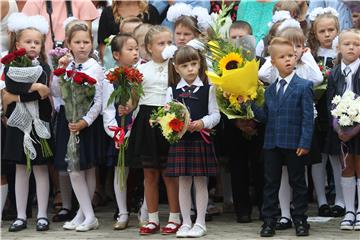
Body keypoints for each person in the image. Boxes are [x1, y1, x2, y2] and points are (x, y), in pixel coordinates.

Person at [120, 25, 181, 235]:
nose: (166, 47)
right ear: (149, 47)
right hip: (147, 122)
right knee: (150, 174)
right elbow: (134, 100)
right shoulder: (141, 69)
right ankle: (152, 218)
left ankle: (175, 217)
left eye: (169, 43)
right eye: (161, 43)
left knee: (169, 174)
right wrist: (126, 106)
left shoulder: (176, 67)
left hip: (168, 120)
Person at [252, 37, 314, 237]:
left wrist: (305, 142)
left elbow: (307, 118)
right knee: (271, 183)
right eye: (282, 57)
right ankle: (269, 221)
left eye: (291, 56)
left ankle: (301, 220)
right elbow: (265, 118)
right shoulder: (270, 90)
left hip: (294, 143)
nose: (288, 60)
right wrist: (250, 103)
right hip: (272, 143)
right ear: (273, 62)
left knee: (298, 183)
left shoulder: (304, 86)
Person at [51, 21, 104, 232]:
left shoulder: (95, 67)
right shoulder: (68, 66)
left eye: (86, 42)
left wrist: (85, 121)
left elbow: (98, 100)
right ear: (69, 44)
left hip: (85, 122)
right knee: (75, 169)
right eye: (77, 42)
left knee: (85, 169)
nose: (82, 46)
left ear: (91, 43)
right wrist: (60, 69)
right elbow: (56, 92)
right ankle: (84, 213)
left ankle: (87, 215)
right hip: (69, 120)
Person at [2, 13, 52, 232]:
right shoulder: (10, 65)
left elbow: (40, 94)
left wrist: (21, 93)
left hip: (38, 121)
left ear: (42, 45)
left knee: (40, 169)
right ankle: (21, 215)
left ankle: (42, 214)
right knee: (21, 169)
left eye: (37, 42)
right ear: (18, 43)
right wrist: (33, 88)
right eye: (28, 42)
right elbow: (11, 85)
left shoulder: (44, 67)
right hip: (17, 123)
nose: (33, 45)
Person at [165, 45, 220, 238]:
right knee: (183, 181)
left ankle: (200, 222)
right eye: (185, 65)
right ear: (176, 67)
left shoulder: (208, 89)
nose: (190, 69)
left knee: (200, 182)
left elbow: (216, 115)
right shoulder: (172, 91)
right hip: (181, 142)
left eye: (194, 64)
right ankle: (186, 221)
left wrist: (202, 123)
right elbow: (166, 114)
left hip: (199, 140)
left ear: (200, 64)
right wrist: (176, 125)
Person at [102, 33, 144, 230]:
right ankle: (123, 212)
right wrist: (116, 133)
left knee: (146, 170)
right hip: (119, 130)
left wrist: (132, 120)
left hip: (140, 127)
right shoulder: (110, 77)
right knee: (121, 170)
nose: (135, 53)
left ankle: (145, 211)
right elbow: (108, 109)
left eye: (137, 48)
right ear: (117, 54)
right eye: (130, 49)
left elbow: (142, 103)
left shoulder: (142, 73)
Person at [308, 7, 345, 217]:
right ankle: (321, 200)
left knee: (336, 155)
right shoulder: (312, 55)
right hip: (316, 109)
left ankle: (339, 199)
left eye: (331, 30)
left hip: (337, 109)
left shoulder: (341, 54)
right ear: (315, 33)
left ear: (338, 30)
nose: (327, 34)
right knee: (318, 156)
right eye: (322, 31)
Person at [326, 29, 360, 231]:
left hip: (359, 128)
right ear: (338, 47)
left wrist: (356, 128)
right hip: (341, 130)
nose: (351, 47)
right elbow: (330, 102)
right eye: (347, 43)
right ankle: (349, 210)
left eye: (356, 44)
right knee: (346, 167)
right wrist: (337, 126)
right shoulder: (335, 72)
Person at [22, 0, 99, 54]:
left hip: (74, 59)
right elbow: (27, 35)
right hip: (41, 59)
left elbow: (86, 37)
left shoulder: (83, 2)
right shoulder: (34, 2)